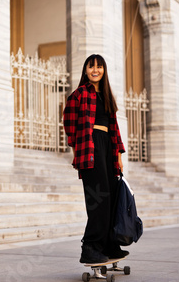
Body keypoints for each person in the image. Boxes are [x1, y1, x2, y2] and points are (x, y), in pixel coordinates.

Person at [63, 54, 128, 264]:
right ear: (85, 70)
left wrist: (118, 156)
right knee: (97, 200)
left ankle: (109, 244)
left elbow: (115, 129)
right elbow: (70, 127)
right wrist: (77, 152)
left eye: (99, 67)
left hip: (108, 148)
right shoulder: (79, 94)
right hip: (90, 148)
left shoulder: (107, 96)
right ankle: (90, 247)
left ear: (104, 70)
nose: (95, 70)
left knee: (110, 199)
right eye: (92, 67)